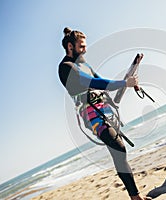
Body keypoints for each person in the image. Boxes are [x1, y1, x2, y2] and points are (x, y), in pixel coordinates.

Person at [58, 27, 152, 200]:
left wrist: (128, 84)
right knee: (119, 148)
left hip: (106, 110)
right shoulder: (66, 67)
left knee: (119, 153)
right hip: (91, 115)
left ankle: (135, 196)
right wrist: (124, 82)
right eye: (81, 46)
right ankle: (135, 196)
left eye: (85, 46)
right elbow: (92, 82)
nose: (85, 49)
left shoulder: (84, 64)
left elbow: (100, 79)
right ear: (70, 47)